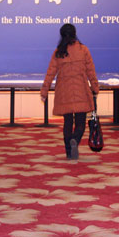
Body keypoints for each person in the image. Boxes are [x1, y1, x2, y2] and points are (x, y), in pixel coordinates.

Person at [40, 24, 99, 160]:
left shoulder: (59, 52)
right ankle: (75, 140)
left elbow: (50, 73)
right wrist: (95, 88)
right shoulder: (83, 50)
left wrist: (44, 91)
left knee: (67, 122)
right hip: (81, 89)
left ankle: (68, 151)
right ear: (74, 34)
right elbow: (91, 71)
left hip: (64, 91)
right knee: (80, 122)